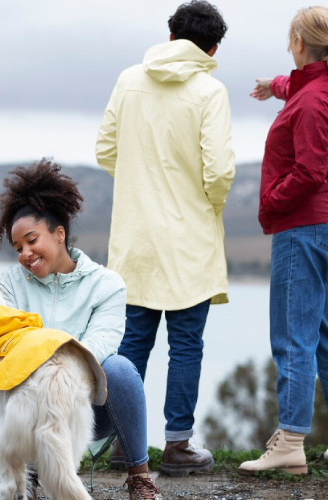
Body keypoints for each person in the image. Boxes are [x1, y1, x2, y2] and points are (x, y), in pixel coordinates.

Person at [95, 0, 235, 476]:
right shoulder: (210, 90)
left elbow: (105, 150)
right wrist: (205, 206)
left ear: (172, 36)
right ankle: (178, 447)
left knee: (131, 345)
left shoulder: (129, 79)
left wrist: (139, 184)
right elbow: (219, 171)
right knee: (186, 345)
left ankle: (121, 444)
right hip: (188, 239)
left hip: (134, 237)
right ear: (213, 48)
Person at [238, 6, 328, 475]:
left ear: (297, 41)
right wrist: (271, 85)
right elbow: (296, 85)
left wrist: (270, 202)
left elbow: (309, 172)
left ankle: (290, 441)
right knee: (323, 329)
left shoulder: (312, 102)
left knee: (293, 336)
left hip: (304, 229)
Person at [0, 159, 163, 500]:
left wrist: (60, 370)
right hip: (27, 410)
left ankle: (140, 478)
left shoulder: (106, 284)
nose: (26, 254)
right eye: (18, 248)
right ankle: (31, 471)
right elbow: (9, 343)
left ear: (59, 234)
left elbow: (102, 342)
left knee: (120, 368)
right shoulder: (10, 284)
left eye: (31, 240)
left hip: (84, 410)